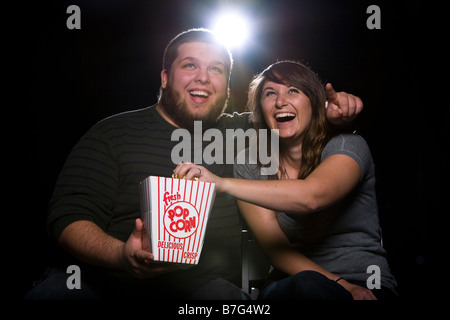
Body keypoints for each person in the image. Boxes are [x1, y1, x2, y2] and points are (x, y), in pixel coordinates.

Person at [26, 29, 362, 299]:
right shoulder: (112, 133)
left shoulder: (244, 132)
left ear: (227, 88)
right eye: (190, 66)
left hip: (202, 287)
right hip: (104, 279)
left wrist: (334, 115)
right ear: (163, 77)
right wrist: (120, 256)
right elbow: (68, 218)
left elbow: (292, 117)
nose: (203, 78)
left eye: (215, 69)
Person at [174, 60, 397, 300]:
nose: (280, 102)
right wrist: (337, 284)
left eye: (293, 90)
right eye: (270, 93)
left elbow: (311, 197)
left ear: (314, 103)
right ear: (260, 108)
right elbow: (277, 251)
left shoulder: (348, 145)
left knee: (310, 286)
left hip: (362, 285)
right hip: (291, 287)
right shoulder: (250, 164)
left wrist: (222, 184)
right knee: (212, 292)